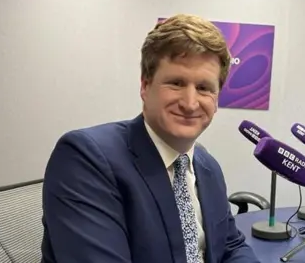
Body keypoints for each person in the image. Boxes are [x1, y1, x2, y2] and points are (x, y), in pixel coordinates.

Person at [40, 14, 261, 263]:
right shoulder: (86, 159)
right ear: (145, 86)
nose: (190, 103)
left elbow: (231, 246)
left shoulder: (207, 166)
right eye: (176, 83)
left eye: (203, 88)